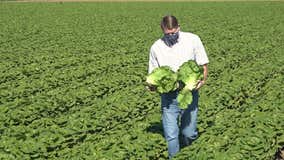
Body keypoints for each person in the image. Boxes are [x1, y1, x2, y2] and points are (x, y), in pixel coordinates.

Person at [147, 15, 209, 159]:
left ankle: (189, 153)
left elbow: (203, 64)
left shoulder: (193, 40)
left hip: (188, 92)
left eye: (174, 33)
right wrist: (152, 85)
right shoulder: (156, 47)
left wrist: (202, 80)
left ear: (179, 28)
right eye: (167, 34)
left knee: (189, 133)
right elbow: (153, 72)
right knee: (171, 136)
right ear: (162, 29)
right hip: (168, 96)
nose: (171, 36)